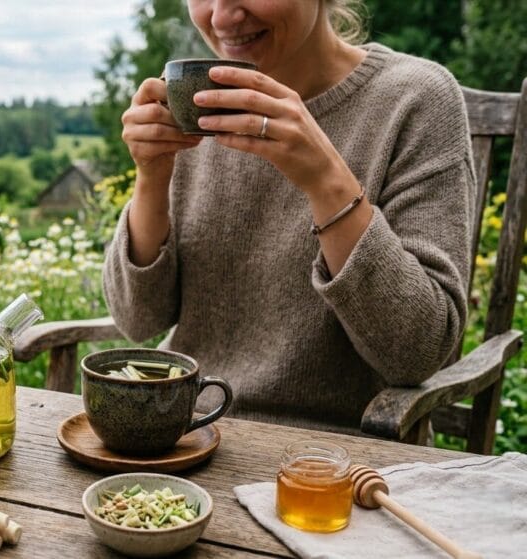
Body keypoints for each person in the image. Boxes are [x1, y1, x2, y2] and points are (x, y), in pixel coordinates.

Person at [103, 0, 475, 435]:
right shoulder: (196, 101)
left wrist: (326, 181)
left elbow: (417, 353)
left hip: (338, 458)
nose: (221, 18)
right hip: (189, 434)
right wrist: (152, 176)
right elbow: (137, 320)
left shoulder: (415, 99)